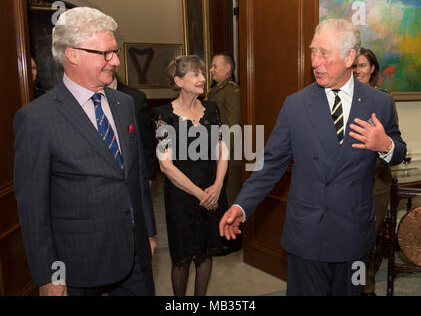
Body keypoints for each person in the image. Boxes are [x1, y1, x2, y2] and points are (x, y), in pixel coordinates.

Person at [219, 18, 407, 296]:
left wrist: (385, 144)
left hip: (353, 238)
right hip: (307, 237)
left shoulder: (378, 102)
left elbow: (399, 152)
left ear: (349, 57)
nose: (314, 61)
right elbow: (270, 163)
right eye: (313, 51)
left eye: (323, 53)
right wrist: (242, 206)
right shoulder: (295, 105)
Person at [14, 7, 156, 296]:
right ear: (72, 54)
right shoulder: (37, 118)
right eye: (105, 53)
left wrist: (149, 234)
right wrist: (49, 276)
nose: (115, 61)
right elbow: (34, 210)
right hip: (77, 265)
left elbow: (137, 177)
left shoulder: (124, 104)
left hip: (134, 256)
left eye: (114, 52)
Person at [152, 55, 234, 296]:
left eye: (202, 73)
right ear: (178, 81)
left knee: (206, 254)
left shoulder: (212, 108)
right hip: (181, 197)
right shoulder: (162, 114)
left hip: (211, 191)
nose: (202, 78)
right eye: (195, 74)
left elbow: (222, 148)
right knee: (181, 259)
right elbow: (165, 166)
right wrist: (199, 193)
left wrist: (218, 185)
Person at [353, 47, 397, 296]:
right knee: (350, 241)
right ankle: (352, 286)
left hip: (376, 184)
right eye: (355, 65)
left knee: (368, 241)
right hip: (348, 184)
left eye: (363, 65)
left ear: (372, 69)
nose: (358, 70)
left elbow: (393, 142)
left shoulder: (384, 100)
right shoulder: (342, 100)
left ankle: (365, 286)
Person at [108, 73, 158, 185]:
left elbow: (146, 141)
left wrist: (149, 175)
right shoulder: (86, 96)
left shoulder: (136, 98)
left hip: (131, 175)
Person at [208, 53, 242, 207]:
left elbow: (233, 126)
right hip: (217, 152)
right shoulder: (217, 90)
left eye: (215, 66)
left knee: (229, 200)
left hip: (228, 156)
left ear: (227, 68)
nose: (211, 70)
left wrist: (224, 155)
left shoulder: (231, 91)